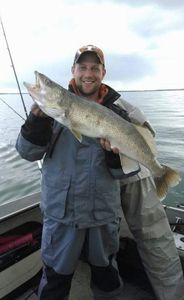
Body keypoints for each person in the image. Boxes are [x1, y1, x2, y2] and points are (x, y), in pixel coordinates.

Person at [15, 45, 184, 300]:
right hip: (62, 218)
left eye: (95, 68)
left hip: (102, 218)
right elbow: (27, 153)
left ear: (103, 72)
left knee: (107, 282)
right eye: (82, 67)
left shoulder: (118, 112)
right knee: (54, 283)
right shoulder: (52, 112)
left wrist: (114, 158)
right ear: (73, 70)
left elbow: (126, 175)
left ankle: (161, 172)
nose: (88, 73)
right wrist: (35, 122)